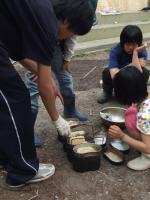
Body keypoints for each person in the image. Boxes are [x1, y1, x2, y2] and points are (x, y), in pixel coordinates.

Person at [0, 0, 93, 188]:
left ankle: (8, 157)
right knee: (16, 99)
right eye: (73, 33)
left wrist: (48, 78)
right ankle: (22, 171)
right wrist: (57, 119)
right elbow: (43, 88)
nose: (69, 37)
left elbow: (18, 54)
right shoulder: (48, 26)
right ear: (66, 21)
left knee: (7, 102)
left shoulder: (40, 12)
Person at [23, 35, 88, 147]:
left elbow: (71, 38)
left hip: (54, 46)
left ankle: (70, 110)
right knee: (33, 85)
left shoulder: (71, 28)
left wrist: (67, 59)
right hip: (33, 46)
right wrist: (34, 67)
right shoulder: (42, 22)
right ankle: (27, 131)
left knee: (66, 77)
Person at [108, 44, 150, 171]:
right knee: (132, 112)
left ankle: (147, 157)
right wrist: (135, 53)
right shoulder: (143, 90)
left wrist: (122, 136)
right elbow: (137, 70)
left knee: (131, 117)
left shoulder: (144, 114)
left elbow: (148, 146)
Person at [97, 25, 150, 104]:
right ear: (122, 42)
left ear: (139, 44)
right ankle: (107, 93)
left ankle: (136, 94)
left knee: (145, 72)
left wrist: (135, 53)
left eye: (134, 44)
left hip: (131, 78)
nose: (131, 47)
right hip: (119, 78)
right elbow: (114, 75)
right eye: (128, 44)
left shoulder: (140, 50)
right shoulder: (115, 51)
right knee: (107, 72)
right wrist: (132, 64)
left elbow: (139, 69)